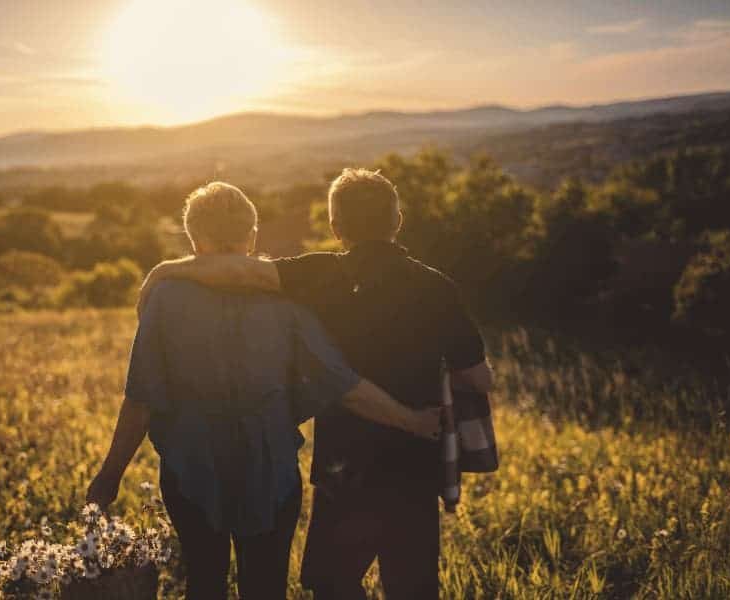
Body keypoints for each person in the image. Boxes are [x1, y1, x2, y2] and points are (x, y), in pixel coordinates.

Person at [139, 169, 493, 599]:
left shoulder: (322, 275)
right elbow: (478, 377)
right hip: (415, 458)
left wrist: (162, 270)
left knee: (330, 581)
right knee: (413, 585)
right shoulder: (437, 286)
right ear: (397, 222)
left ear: (335, 227)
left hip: (345, 461)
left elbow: (238, 270)